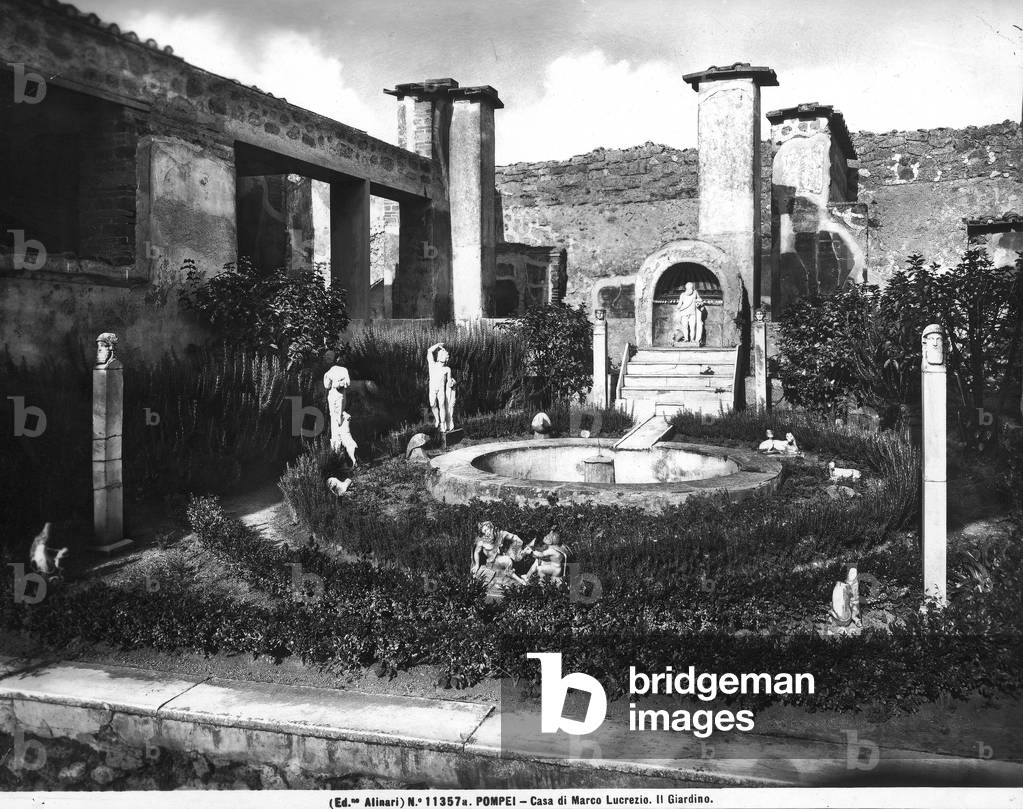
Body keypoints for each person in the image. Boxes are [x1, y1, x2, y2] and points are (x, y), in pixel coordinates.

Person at [426, 342, 456, 437]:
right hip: (432, 388)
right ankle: (437, 419)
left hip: (441, 390)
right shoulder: (432, 364)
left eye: (446, 356)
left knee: (442, 405)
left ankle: (442, 424)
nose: (445, 357)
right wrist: (438, 344)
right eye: (442, 355)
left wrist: (452, 383)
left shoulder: (447, 369)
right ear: (439, 356)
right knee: (432, 404)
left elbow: (449, 382)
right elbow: (429, 350)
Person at [323, 357, 351, 455]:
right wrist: (328, 378)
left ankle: (339, 448)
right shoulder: (330, 371)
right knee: (334, 419)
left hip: (339, 396)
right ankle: (335, 449)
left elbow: (347, 382)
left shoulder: (343, 370)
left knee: (339, 419)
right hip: (332, 397)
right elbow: (327, 385)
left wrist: (338, 383)